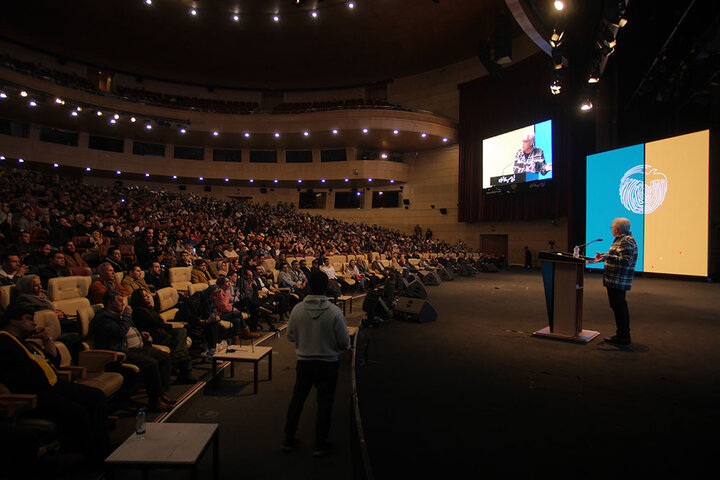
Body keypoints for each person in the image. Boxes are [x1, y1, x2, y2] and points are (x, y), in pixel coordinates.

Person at [0, 304, 109, 459]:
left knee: (96, 396)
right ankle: (92, 455)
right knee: (78, 412)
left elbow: (53, 361)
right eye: (29, 319)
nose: (34, 323)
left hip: (54, 386)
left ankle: (102, 447)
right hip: (35, 395)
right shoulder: (4, 342)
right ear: (13, 321)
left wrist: (47, 338)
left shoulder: (28, 343)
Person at [282, 271, 351, 457]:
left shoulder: (297, 310)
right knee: (324, 403)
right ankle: (320, 443)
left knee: (298, 399)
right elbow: (345, 343)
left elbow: (290, 336)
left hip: (304, 362)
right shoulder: (334, 311)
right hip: (328, 363)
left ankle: (289, 439)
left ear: (309, 286)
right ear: (326, 287)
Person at [89, 290, 175, 411]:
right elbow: (120, 331)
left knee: (164, 357)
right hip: (121, 353)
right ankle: (155, 402)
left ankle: (161, 394)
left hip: (139, 347)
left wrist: (140, 334)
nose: (123, 304)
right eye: (119, 301)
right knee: (151, 363)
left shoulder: (118, 315)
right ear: (110, 303)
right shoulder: (103, 318)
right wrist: (127, 315)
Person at [129, 288, 196, 384]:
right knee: (180, 337)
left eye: (147, 295)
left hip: (161, 331)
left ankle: (180, 359)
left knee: (182, 332)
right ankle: (182, 365)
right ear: (139, 299)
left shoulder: (149, 308)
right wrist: (170, 326)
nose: (148, 297)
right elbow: (154, 324)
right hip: (153, 335)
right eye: (144, 296)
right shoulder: (139, 311)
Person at [591, 217, 638, 346]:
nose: (611, 229)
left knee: (619, 307)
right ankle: (621, 334)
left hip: (619, 281)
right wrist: (604, 256)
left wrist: (608, 257)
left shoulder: (626, 241)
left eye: (612, 227)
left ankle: (623, 336)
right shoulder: (621, 240)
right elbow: (617, 255)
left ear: (617, 229)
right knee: (617, 307)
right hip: (614, 280)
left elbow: (626, 260)